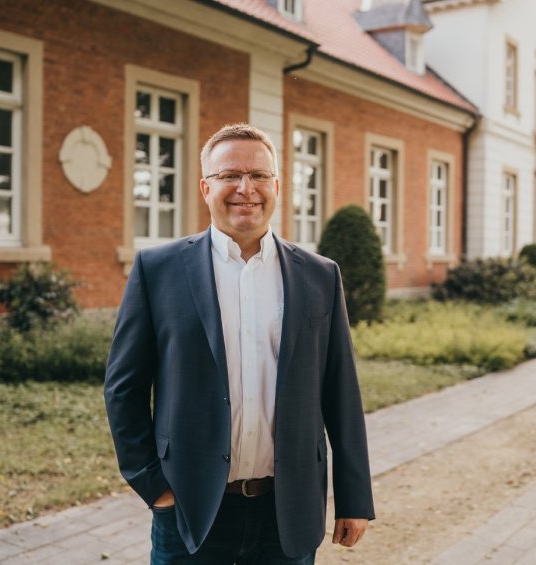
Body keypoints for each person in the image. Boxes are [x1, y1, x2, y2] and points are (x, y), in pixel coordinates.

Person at [104, 123, 375, 564]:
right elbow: (123, 389)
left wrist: (354, 498)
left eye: (259, 176)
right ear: (205, 187)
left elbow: (340, 393)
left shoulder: (320, 276)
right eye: (230, 175)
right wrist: (153, 485)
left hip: (288, 512)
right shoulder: (158, 270)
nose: (245, 188)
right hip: (190, 510)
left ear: (277, 186)